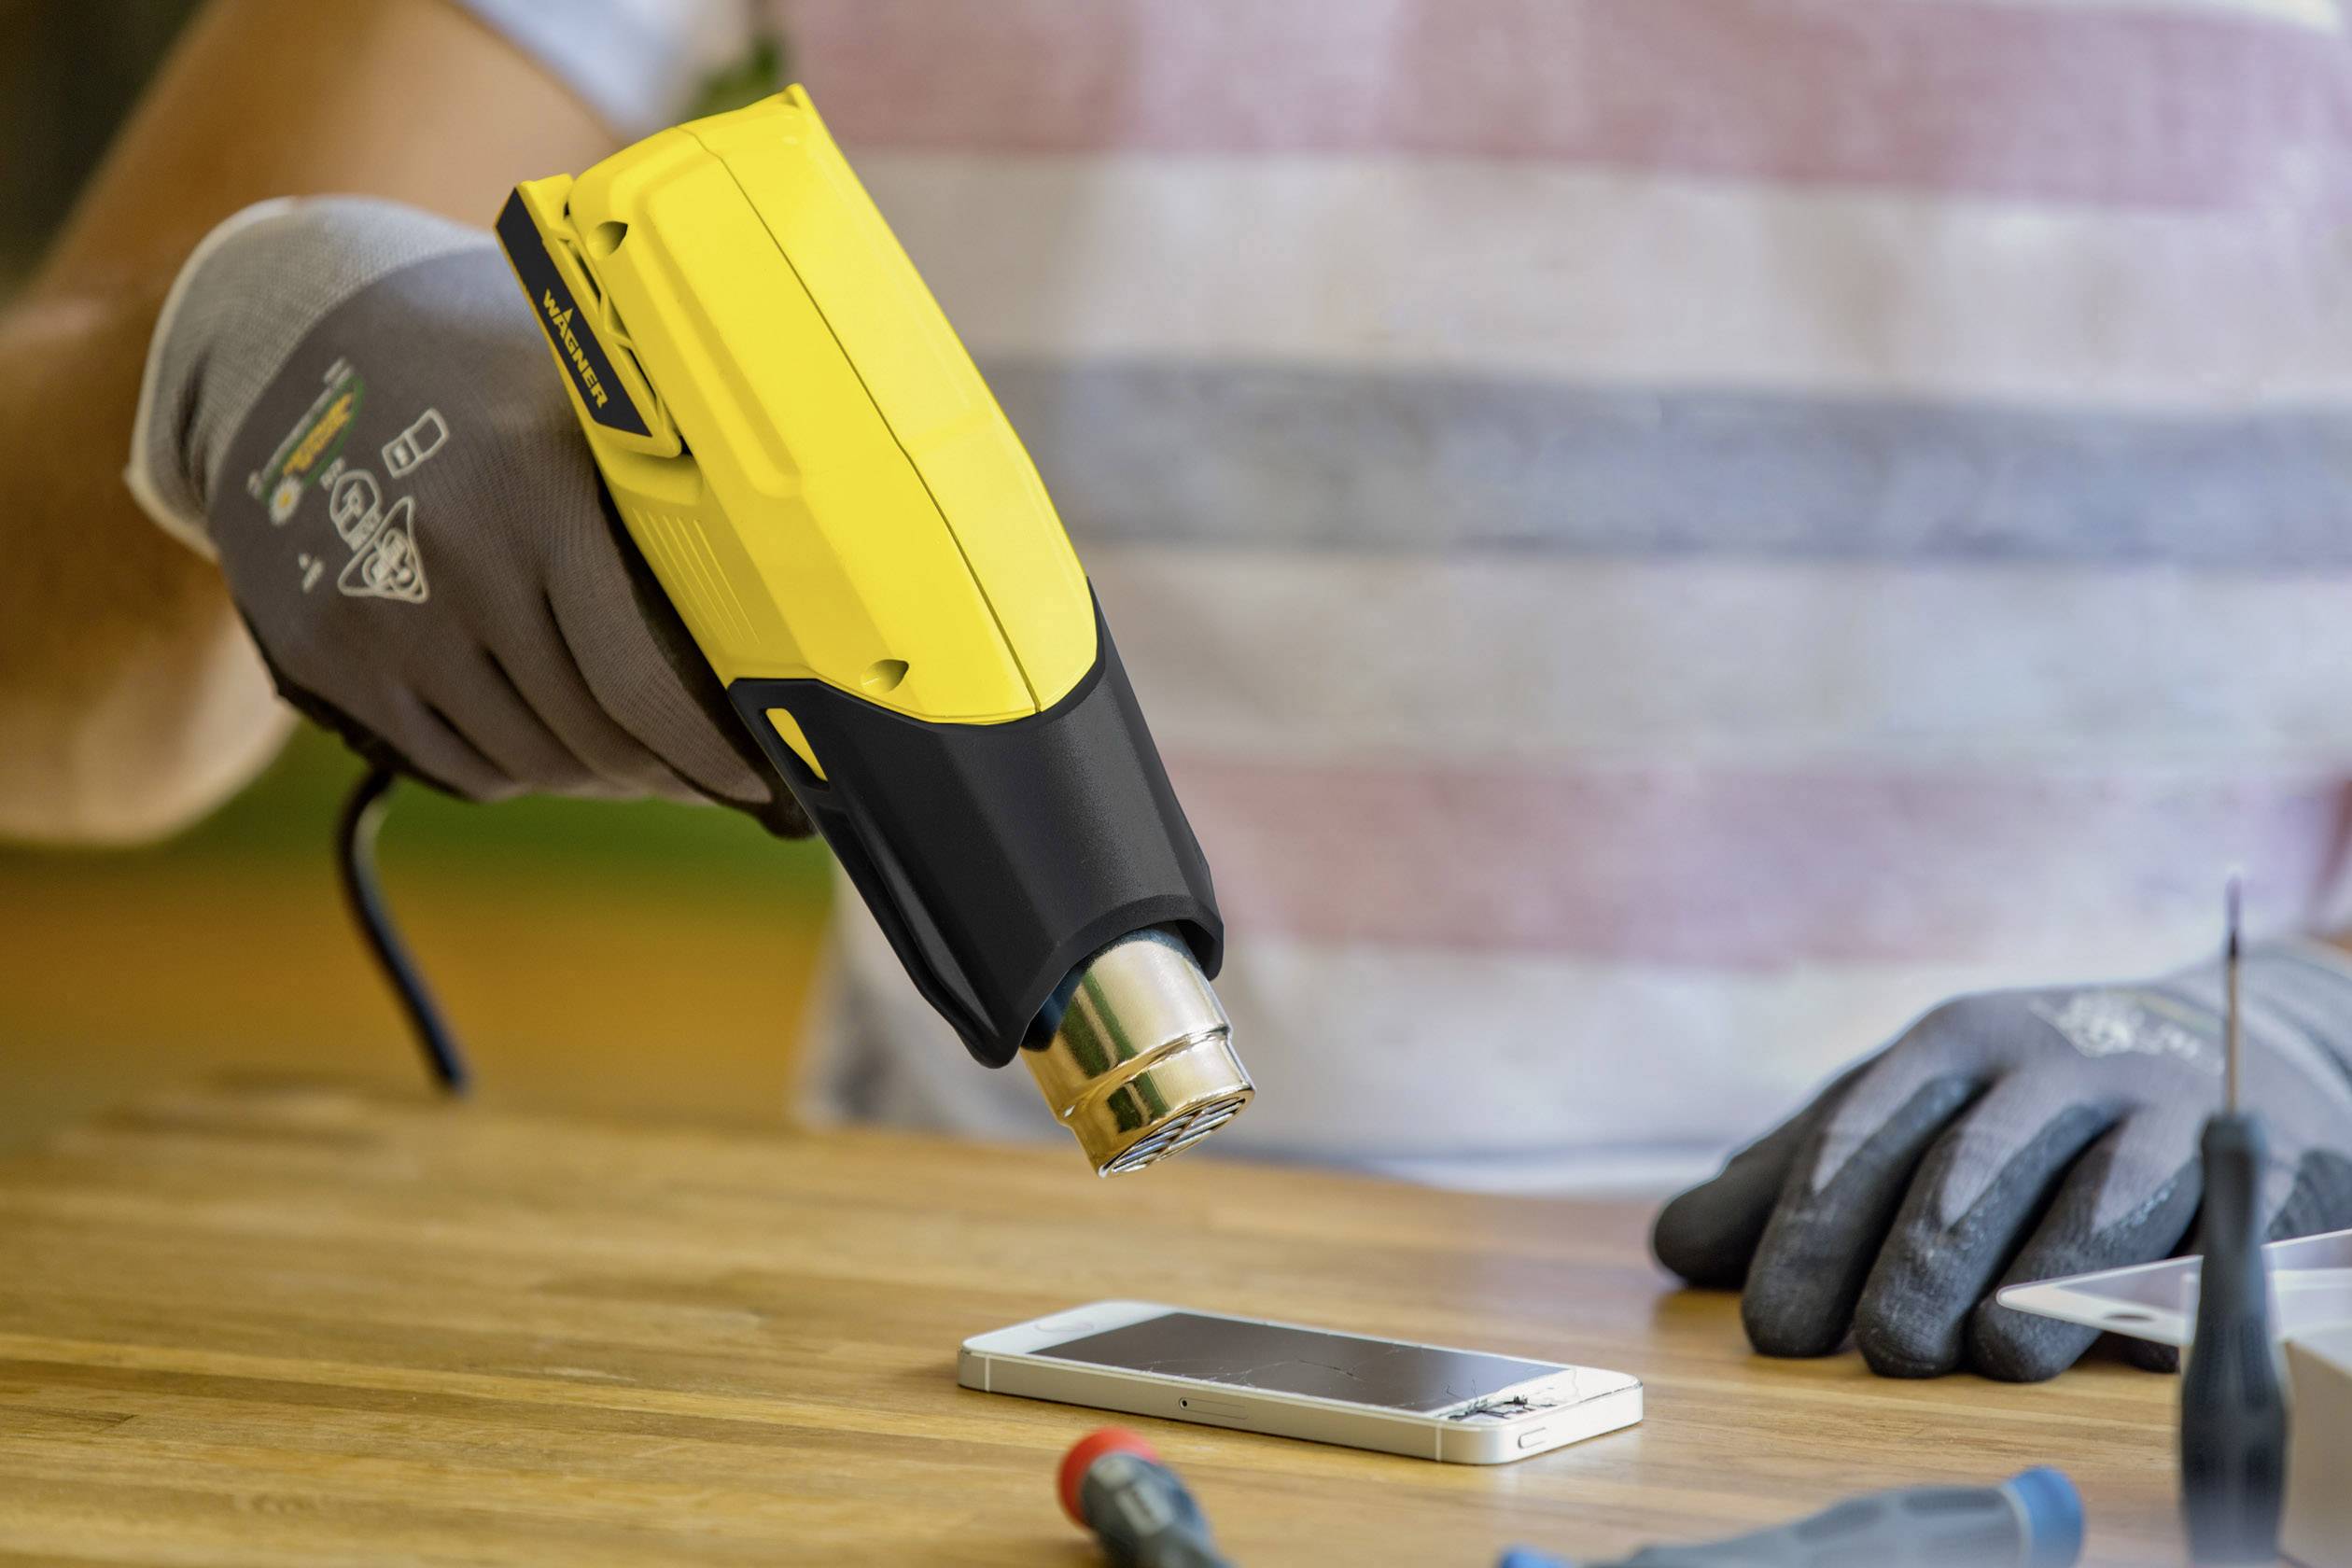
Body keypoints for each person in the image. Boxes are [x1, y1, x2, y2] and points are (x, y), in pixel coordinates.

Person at [7, 0, 2351, 1383]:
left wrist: (2324, 1039)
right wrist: (248, 343)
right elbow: (63, 707)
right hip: (967, 1381)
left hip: (2050, 1392)